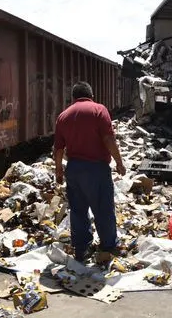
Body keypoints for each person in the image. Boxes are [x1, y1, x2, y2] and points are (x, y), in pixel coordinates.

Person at [53, 81, 126, 263]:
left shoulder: (63, 116)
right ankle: (108, 247)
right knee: (103, 209)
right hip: (96, 168)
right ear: (91, 95)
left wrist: (59, 171)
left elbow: (58, 148)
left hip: (74, 169)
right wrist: (119, 162)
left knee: (78, 211)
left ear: (74, 98)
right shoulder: (99, 110)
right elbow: (108, 138)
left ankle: (81, 249)